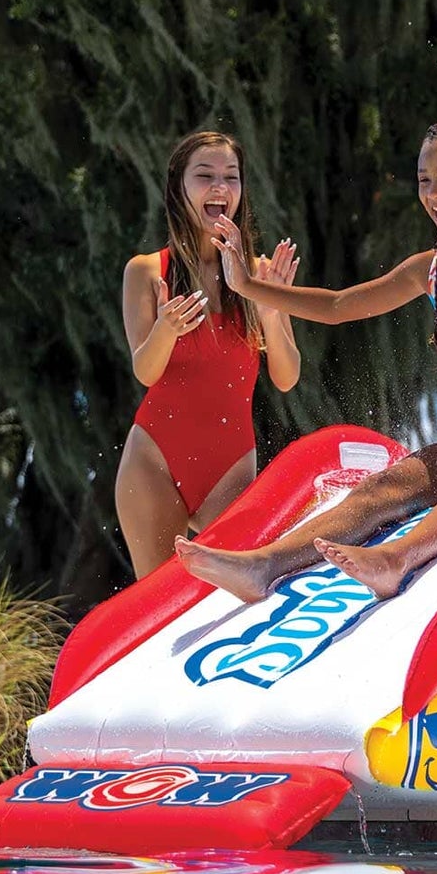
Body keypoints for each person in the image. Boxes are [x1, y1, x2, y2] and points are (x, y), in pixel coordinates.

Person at [175, 25, 437, 602]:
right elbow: (341, 306)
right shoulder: (429, 270)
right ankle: (262, 567)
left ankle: (395, 560)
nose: (435, 193)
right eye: (424, 181)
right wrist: (247, 285)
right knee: (384, 486)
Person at [116, 130, 302, 577]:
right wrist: (165, 329)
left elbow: (287, 376)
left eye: (231, 177)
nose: (220, 187)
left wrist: (273, 313)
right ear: (179, 185)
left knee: (229, 601)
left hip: (231, 466)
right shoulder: (145, 271)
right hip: (154, 459)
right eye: (205, 175)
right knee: (157, 606)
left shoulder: (258, 274)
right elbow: (145, 370)